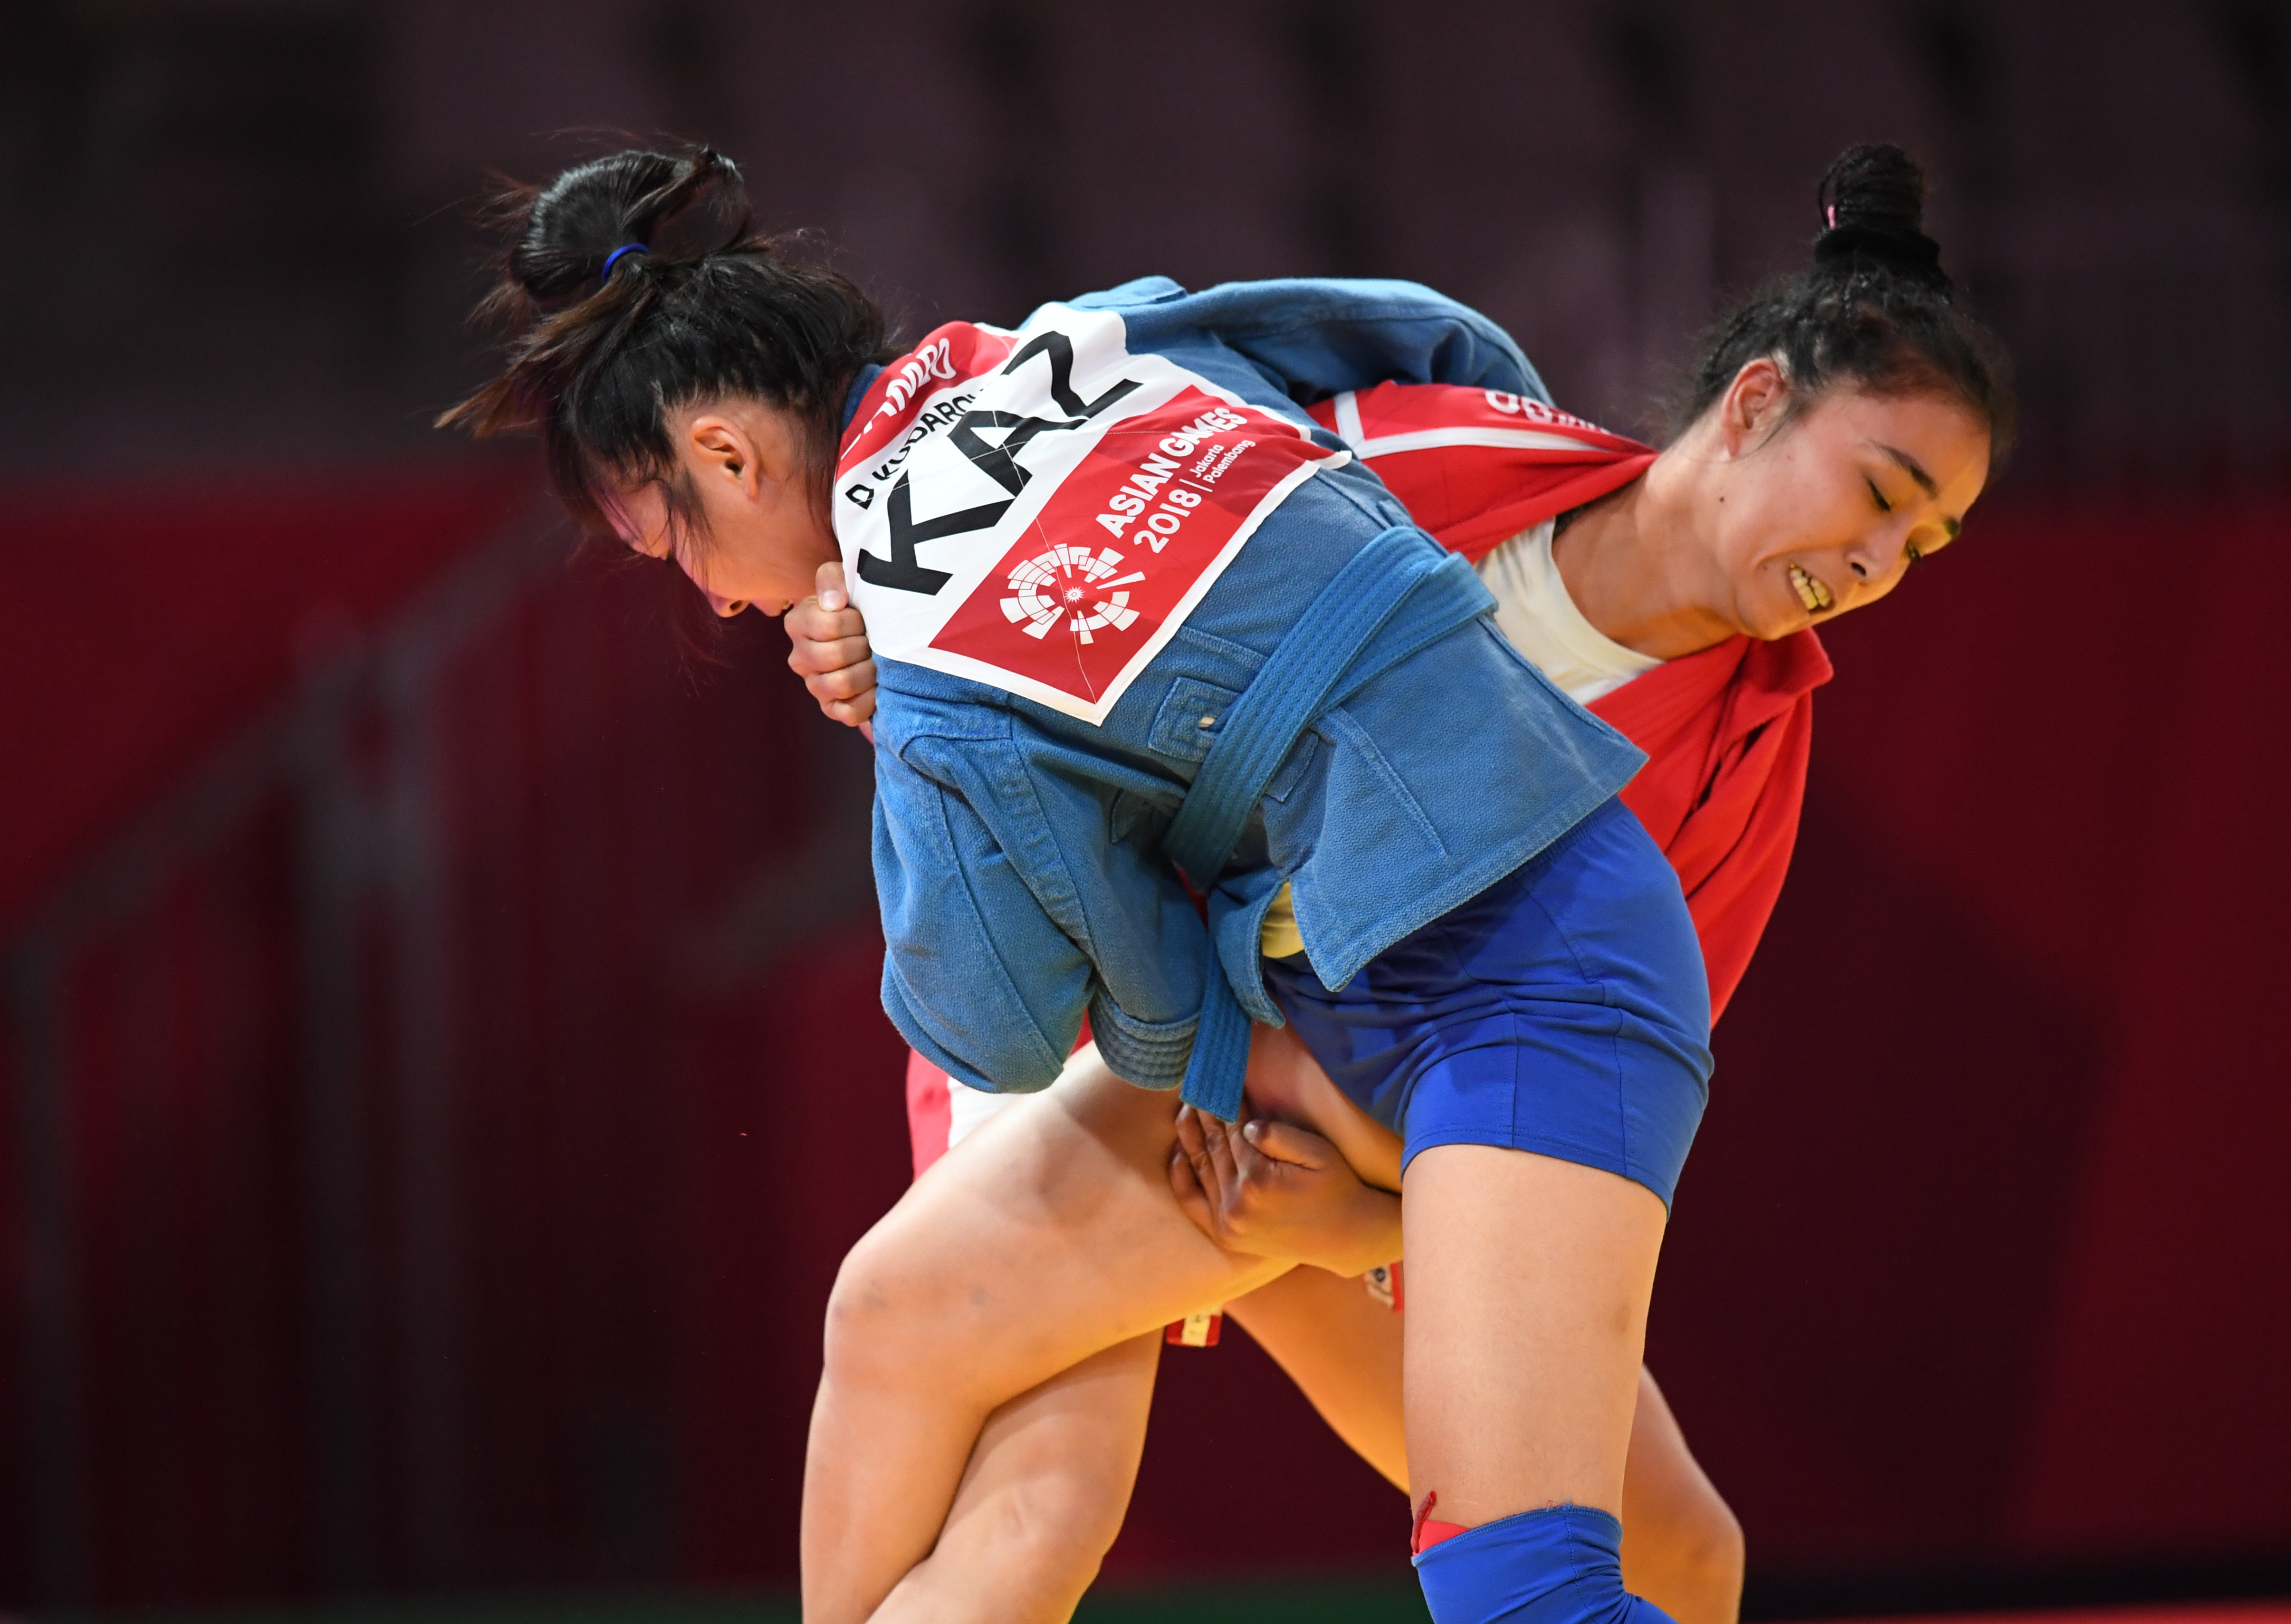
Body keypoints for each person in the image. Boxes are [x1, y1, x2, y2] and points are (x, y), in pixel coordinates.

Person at [448, 140, 2008, 1624]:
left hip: (1332, 1083)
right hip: (1186, 1007)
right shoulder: (1431, 436)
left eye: (1926, 544)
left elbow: (1595, 1094)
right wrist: (913, 673)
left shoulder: (1737, 763)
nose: (1880, 564)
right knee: (995, 1433)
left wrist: (1350, 1206)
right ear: (1749, 405)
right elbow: (1321, 378)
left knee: (1662, 1546)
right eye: (1879, 497)